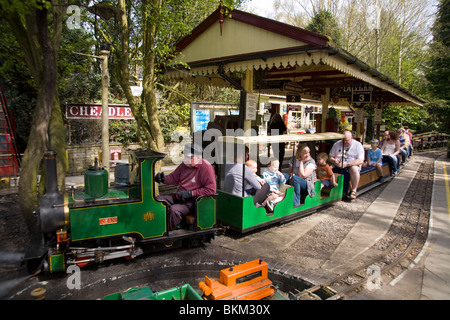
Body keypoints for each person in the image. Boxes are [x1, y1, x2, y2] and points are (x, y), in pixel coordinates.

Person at [155, 143, 216, 231]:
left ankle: (166, 233)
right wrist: (163, 179)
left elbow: (211, 190)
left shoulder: (206, 167)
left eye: (189, 157)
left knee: (174, 210)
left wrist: (190, 193)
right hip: (179, 195)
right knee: (158, 199)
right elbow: (174, 178)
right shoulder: (184, 165)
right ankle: (156, 226)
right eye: (185, 157)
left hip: (193, 201)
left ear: (198, 157)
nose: (186, 160)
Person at [328, 130, 365, 199]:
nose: (344, 142)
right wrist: (335, 161)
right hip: (338, 164)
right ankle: (328, 186)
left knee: (354, 169)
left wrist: (347, 164)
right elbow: (330, 157)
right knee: (327, 167)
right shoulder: (336, 144)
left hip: (352, 164)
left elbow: (360, 160)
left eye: (347, 141)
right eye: (343, 140)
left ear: (351, 138)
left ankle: (354, 190)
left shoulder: (358, 145)